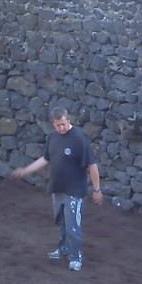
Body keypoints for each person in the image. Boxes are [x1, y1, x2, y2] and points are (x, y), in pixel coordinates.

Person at [12, 106, 103, 271]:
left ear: (68, 120)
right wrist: (26, 170)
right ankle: (63, 248)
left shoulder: (78, 138)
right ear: (53, 124)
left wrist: (97, 190)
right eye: (58, 125)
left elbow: (92, 165)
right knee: (60, 222)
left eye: (63, 124)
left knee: (72, 225)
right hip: (57, 188)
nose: (61, 128)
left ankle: (76, 257)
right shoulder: (52, 137)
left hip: (74, 190)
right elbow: (45, 159)